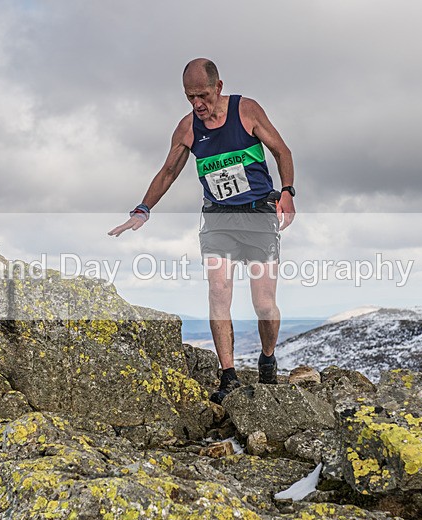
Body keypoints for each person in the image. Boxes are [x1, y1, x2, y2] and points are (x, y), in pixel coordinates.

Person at [109, 58, 295, 404]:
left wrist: (287, 191)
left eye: (203, 95)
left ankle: (267, 359)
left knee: (264, 303)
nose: (197, 104)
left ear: (218, 87)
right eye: (190, 96)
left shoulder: (247, 111)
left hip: (258, 217)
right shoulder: (188, 129)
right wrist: (142, 209)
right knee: (218, 293)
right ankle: (228, 377)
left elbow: (282, 150)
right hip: (218, 220)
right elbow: (167, 172)